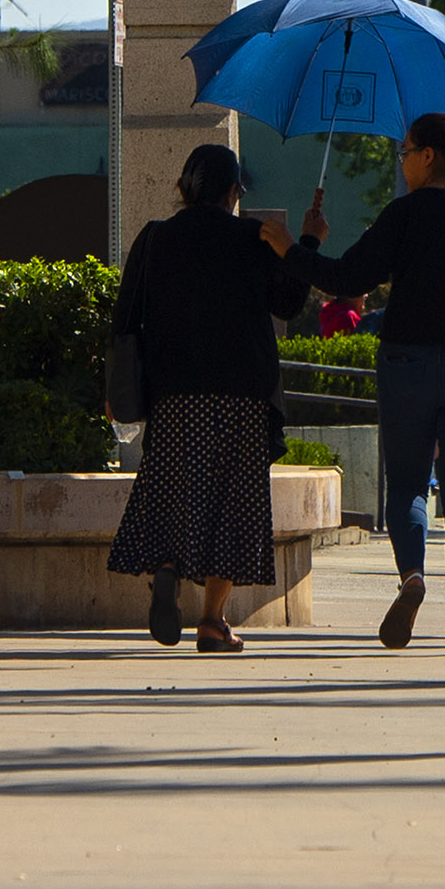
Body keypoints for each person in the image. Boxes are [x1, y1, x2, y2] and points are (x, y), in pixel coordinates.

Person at [293, 113, 445, 653]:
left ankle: (412, 577)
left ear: (428, 155)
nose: (401, 160)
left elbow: (345, 280)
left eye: (404, 151)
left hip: (406, 361)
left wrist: (296, 246)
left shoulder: (404, 215)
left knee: (407, 485)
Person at [107, 143, 313, 654]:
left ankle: (169, 569)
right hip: (242, 394)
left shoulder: (155, 238)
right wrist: (305, 241)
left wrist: (114, 390)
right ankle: (213, 622)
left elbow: (125, 318)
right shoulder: (254, 239)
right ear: (232, 192)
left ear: (184, 188)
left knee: (174, 489)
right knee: (234, 505)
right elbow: (288, 303)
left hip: (174, 393)